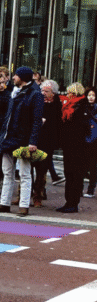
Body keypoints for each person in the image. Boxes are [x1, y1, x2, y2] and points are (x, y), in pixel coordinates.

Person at [0, 66, 44, 217]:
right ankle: (4, 203)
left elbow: (36, 120)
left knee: (24, 173)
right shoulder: (15, 93)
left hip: (23, 139)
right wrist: (1, 137)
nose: (13, 78)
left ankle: (23, 205)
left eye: (15, 75)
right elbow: (7, 118)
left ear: (22, 77)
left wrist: (32, 141)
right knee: (7, 172)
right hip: (10, 138)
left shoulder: (35, 95)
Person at [56, 82, 93, 213]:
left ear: (75, 93)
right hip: (69, 145)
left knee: (75, 174)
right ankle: (69, 201)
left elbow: (80, 128)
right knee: (69, 173)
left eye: (70, 92)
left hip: (78, 147)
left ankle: (73, 203)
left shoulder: (81, 107)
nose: (67, 95)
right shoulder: (70, 106)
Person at [32, 79, 62, 207]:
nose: (43, 93)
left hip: (48, 141)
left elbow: (58, 125)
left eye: (47, 91)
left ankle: (38, 195)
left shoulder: (58, 105)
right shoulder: (37, 102)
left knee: (41, 170)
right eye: (42, 90)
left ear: (53, 93)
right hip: (34, 139)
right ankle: (22, 194)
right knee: (27, 168)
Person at [85, 87, 97, 199]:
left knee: (93, 166)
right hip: (86, 139)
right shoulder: (84, 108)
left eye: (93, 95)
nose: (91, 97)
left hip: (95, 140)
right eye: (89, 95)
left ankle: (91, 189)